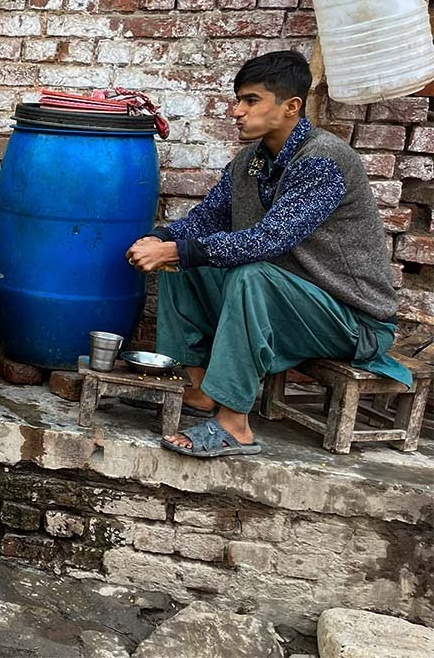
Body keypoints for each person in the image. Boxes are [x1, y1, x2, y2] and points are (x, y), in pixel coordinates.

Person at [126, 50, 410, 458]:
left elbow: (269, 240)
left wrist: (179, 248)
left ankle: (234, 426)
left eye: (251, 100)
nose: (237, 111)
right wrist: (159, 239)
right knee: (182, 263)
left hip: (352, 318)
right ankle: (203, 389)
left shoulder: (323, 161)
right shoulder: (251, 162)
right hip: (294, 303)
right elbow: (208, 219)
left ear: (291, 106)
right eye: (238, 99)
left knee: (250, 272)